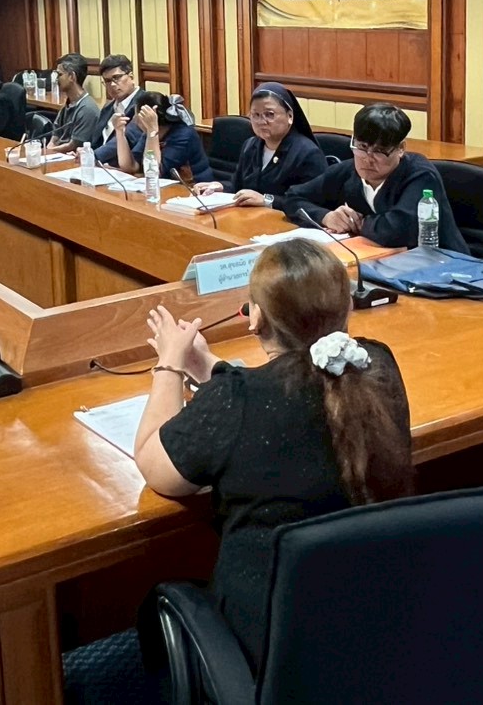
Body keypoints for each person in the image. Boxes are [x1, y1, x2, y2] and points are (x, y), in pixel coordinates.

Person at [133, 239, 413, 671]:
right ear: (346, 308)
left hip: (270, 646)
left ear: (256, 317)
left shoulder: (238, 399)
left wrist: (169, 363)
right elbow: (293, 387)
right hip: (369, 619)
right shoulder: (375, 366)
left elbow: (154, 464)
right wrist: (212, 370)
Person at [279, 102, 466, 251]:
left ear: (401, 149)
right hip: (377, 260)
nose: (367, 159)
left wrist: (357, 223)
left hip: (443, 268)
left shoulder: (420, 175)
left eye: (379, 151)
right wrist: (326, 217)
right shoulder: (349, 170)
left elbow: (398, 230)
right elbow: (293, 198)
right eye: (362, 147)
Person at [193, 83, 327, 207]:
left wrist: (267, 200)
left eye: (269, 114)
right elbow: (237, 186)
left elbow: (312, 203)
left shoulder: (307, 153)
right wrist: (219, 187)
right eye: (255, 115)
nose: (261, 121)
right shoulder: (250, 146)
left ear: (290, 116)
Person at [96, 90, 213, 183]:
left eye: (138, 116)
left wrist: (152, 132)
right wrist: (120, 132)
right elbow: (131, 166)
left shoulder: (184, 135)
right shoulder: (148, 133)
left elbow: (154, 172)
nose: (135, 120)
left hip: (195, 189)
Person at [44, 53, 101, 154]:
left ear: (72, 76)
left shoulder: (87, 109)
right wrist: (49, 147)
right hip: (57, 155)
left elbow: (73, 145)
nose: (56, 79)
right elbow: (55, 135)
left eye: (59, 74)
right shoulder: (69, 103)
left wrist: (47, 151)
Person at [89, 53, 140, 150]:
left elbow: (127, 141)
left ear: (131, 77)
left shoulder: (142, 104)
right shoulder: (108, 108)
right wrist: (84, 152)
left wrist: (93, 155)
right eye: (107, 81)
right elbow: (95, 141)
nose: (112, 85)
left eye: (117, 78)